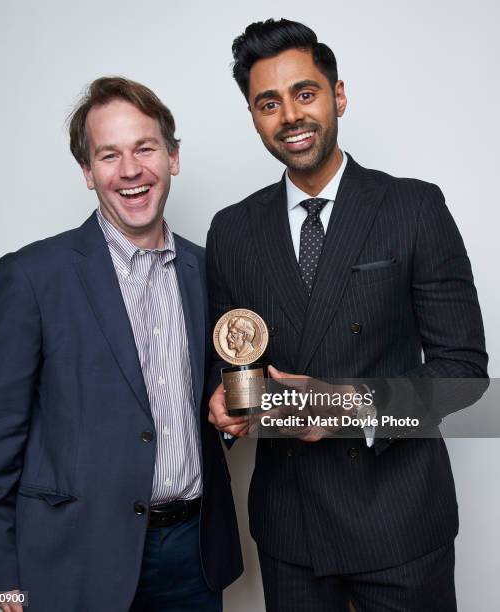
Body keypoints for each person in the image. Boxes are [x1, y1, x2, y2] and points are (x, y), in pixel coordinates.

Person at [207, 18, 487, 612]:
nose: (290, 116)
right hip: (291, 529)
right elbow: (230, 359)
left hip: (401, 521)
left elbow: (464, 374)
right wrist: (222, 403)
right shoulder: (232, 230)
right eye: (268, 103)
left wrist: (343, 408)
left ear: (337, 96)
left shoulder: (414, 206)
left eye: (304, 94)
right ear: (253, 116)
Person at [0, 76, 242, 612]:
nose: (131, 170)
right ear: (88, 173)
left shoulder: (208, 269)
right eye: (109, 155)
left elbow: (207, 404)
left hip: (194, 555)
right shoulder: (31, 276)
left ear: (173, 157)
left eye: (145, 148)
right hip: (73, 558)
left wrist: (228, 414)